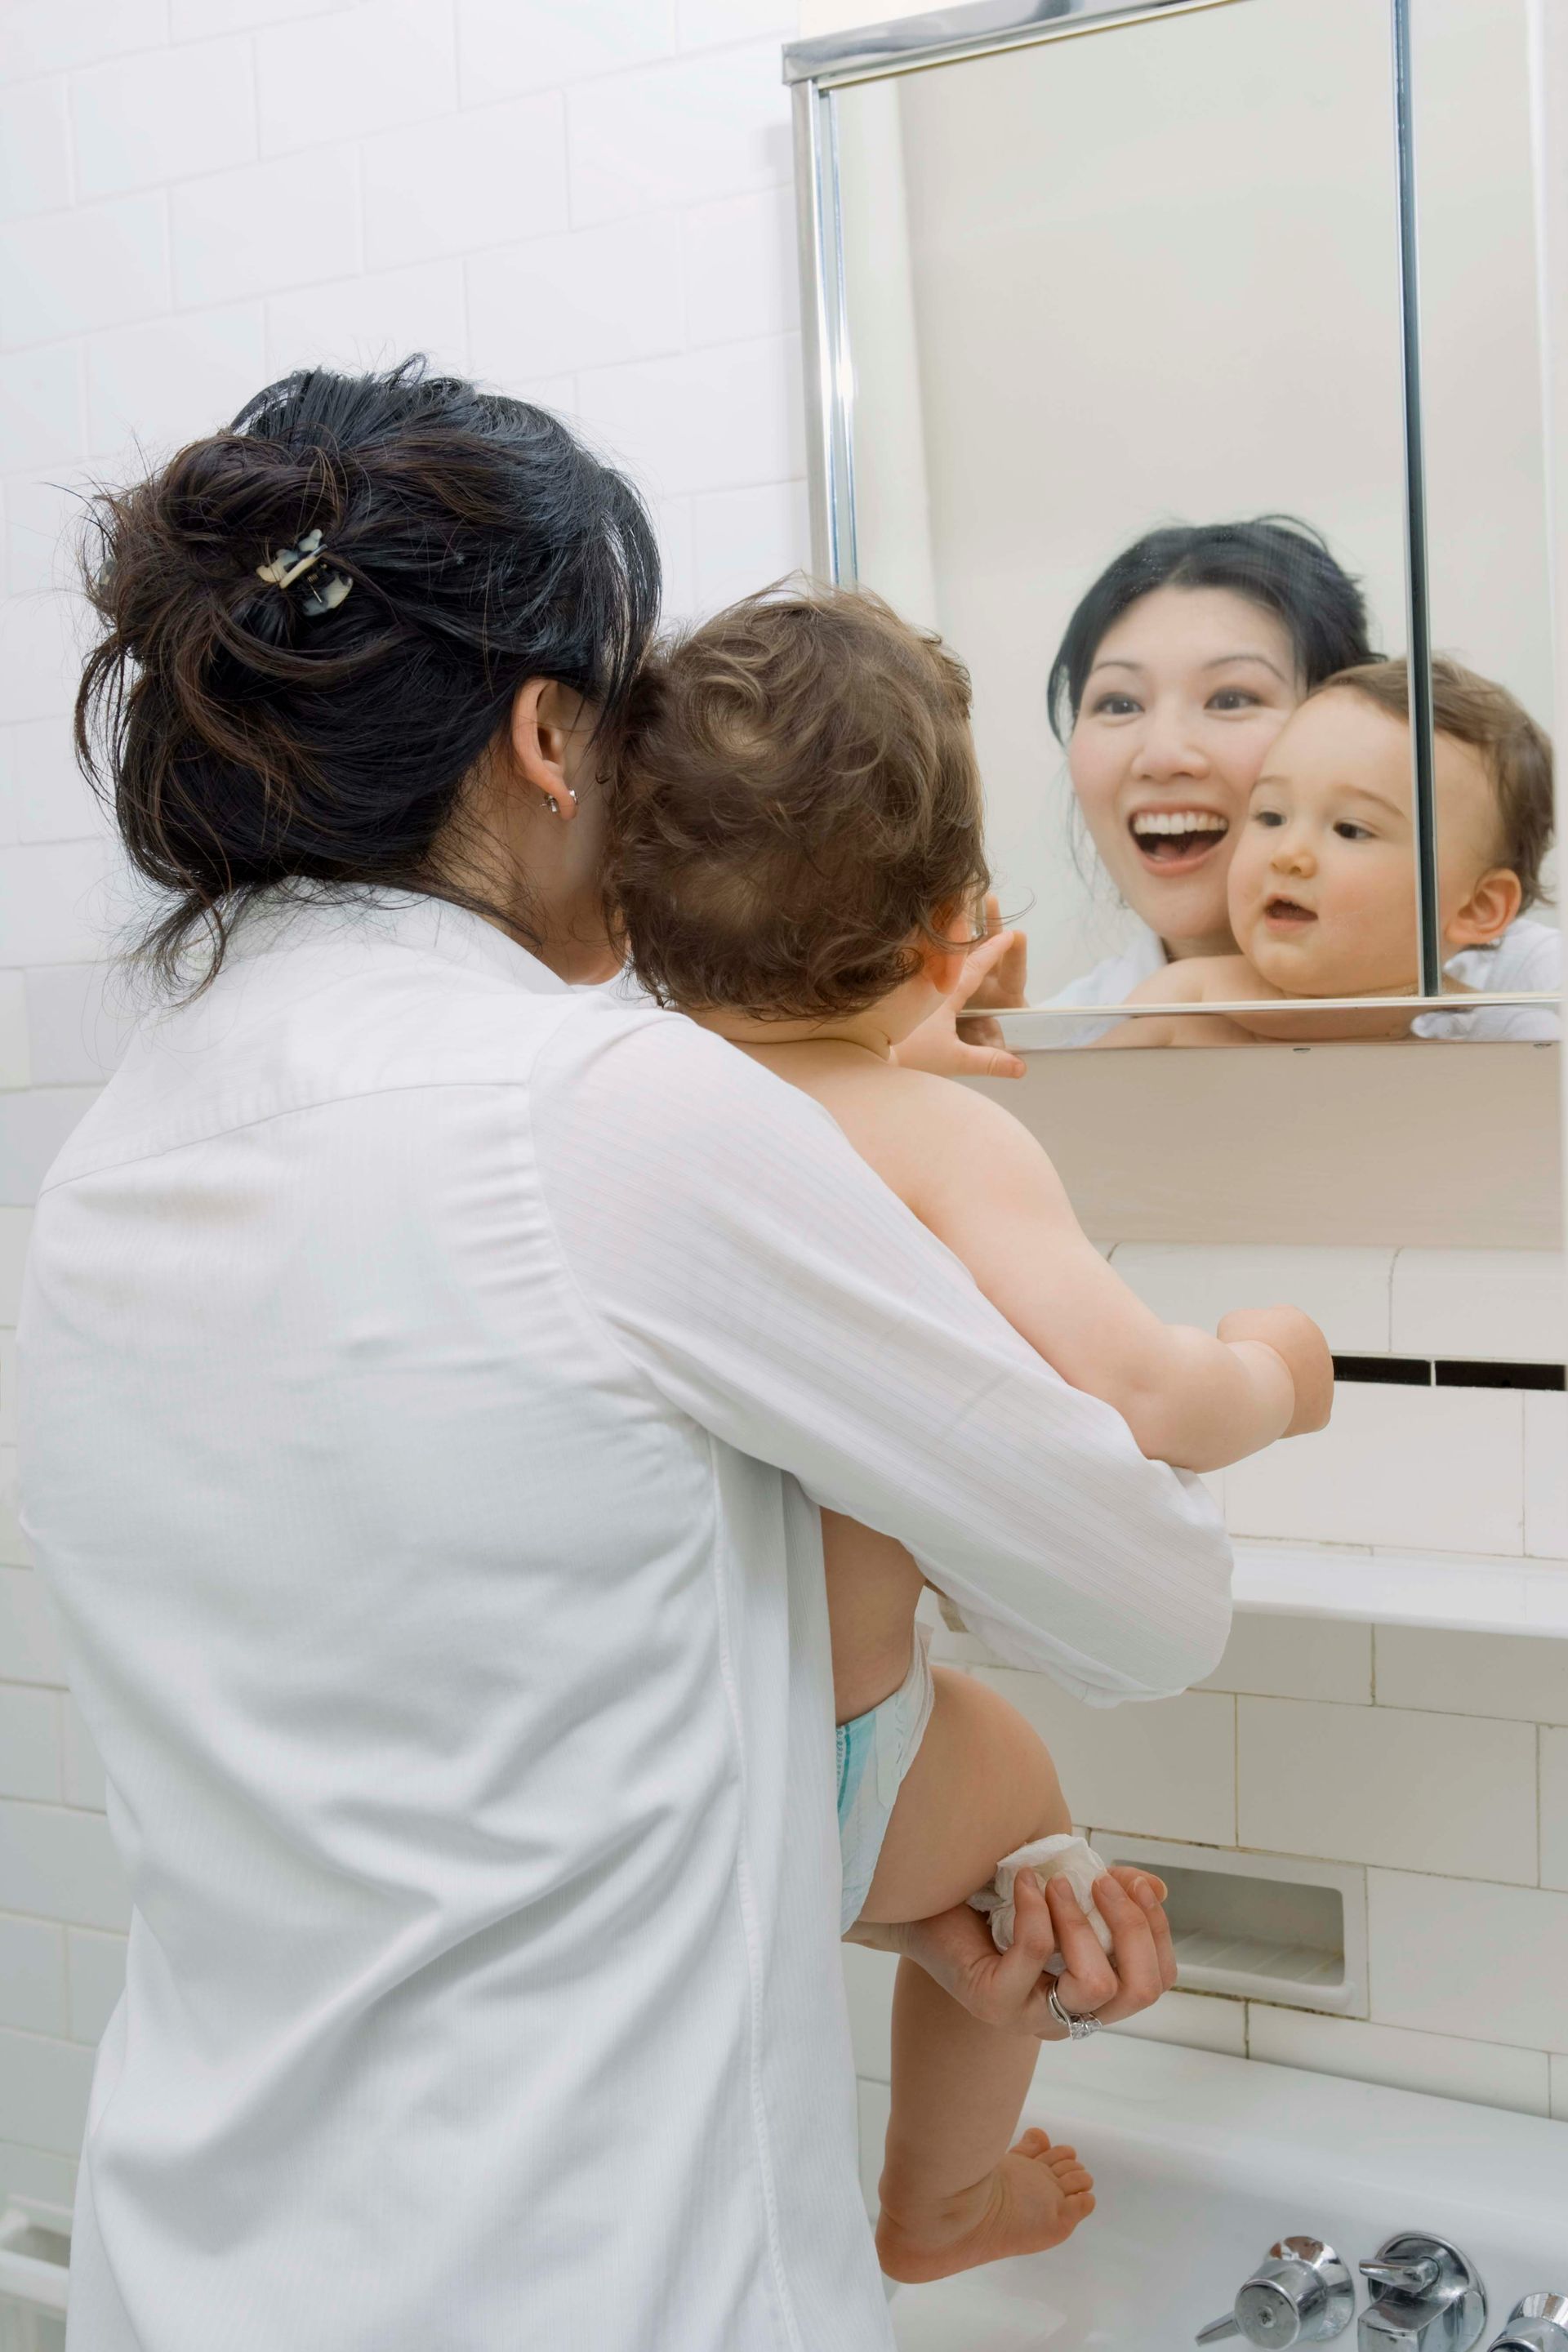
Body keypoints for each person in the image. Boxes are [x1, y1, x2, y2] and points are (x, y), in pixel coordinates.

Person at [17, 363, 1230, 2352]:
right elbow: (1144, 1594)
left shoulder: (118, 1157)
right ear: (548, 735)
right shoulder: (596, 1110)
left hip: (193, 2271)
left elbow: (458, 1744)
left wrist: (816, 1848)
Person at [608, 584, 1333, 2287]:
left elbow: (801, 1060)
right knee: (1026, 1822)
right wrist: (1277, 1371)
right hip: (859, 1762)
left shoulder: (641, 1101)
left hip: (659, 1753)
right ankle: (940, 2200)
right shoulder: (944, 1136)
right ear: (956, 918)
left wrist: (894, 1016)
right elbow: (1146, 1402)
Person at [1041, 517, 1559, 1042]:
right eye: (1120, 702)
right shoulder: (1055, 1037)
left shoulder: (1530, 996)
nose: (1162, 755)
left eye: (1231, 698)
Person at [1101, 656, 1555, 1045]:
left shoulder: (1505, 1037)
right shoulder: (1187, 1003)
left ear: (1477, 906)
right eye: (1270, 817)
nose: (1288, 854)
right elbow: (1076, 1113)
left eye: (1350, 830)